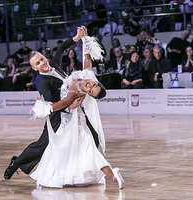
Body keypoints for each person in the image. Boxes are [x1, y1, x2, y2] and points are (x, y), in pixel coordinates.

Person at [3, 26, 102, 180]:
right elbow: (53, 106)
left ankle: (86, 168)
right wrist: (70, 105)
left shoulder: (54, 64)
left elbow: (62, 47)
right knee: (41, 146)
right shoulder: (42, 83)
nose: (42, 62)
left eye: (42, 58)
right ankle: (16, 163)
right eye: (38, 63)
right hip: (58, 117)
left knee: (93, 136)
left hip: (73, 108)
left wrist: (76, 37)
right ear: (35, 68)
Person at [30, 36, 124, 189]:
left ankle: (113, 176)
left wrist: (46, 108)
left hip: (74, 124)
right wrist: (85, 41)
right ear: (96, 82)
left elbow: (65, 103)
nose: (90, 86)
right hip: (70, 122)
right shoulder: (86, 76)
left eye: (91, 90)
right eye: (94, 85)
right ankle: (109, 175)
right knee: (80, 151)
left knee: (89, 150)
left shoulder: (77, 92)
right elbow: (87, 61)